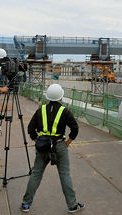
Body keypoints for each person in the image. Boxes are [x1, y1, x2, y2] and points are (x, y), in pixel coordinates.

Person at [21, 84, 84, 213]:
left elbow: (30, 129)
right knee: (64, 174)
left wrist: (37, 140)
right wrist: (67, 143)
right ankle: (72, 205)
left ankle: (26, 204)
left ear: (47, 96)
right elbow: (75, 129)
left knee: (36, 174)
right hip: (59, 145)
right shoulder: (64, 111)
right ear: (61, 96)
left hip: (43, 145)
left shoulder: (41, 110)